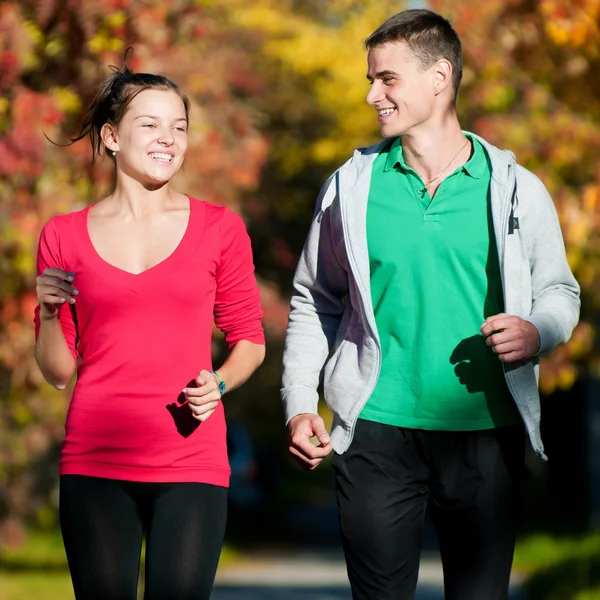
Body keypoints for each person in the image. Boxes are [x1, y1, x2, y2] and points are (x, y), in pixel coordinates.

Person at [281, 8, 580, 600]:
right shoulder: (351, 186)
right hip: (374, 432)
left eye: (386, 79)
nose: (372, 94)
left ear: (439, 77)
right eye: (372, 79)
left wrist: (536, 331)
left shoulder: (514, 185)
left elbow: (560, 292)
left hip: (483, 432)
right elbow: (314, 297)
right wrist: (298, 402)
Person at [34, 62, 265, 600]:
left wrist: (221, 384)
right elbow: (58, 371)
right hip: (96, 458)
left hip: (191, 457)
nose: (168, 139)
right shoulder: (62, 236)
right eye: (151, 125)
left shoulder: (219, 228)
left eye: (179, 126)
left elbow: (248, 339)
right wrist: (46, 315)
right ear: (112, 137)